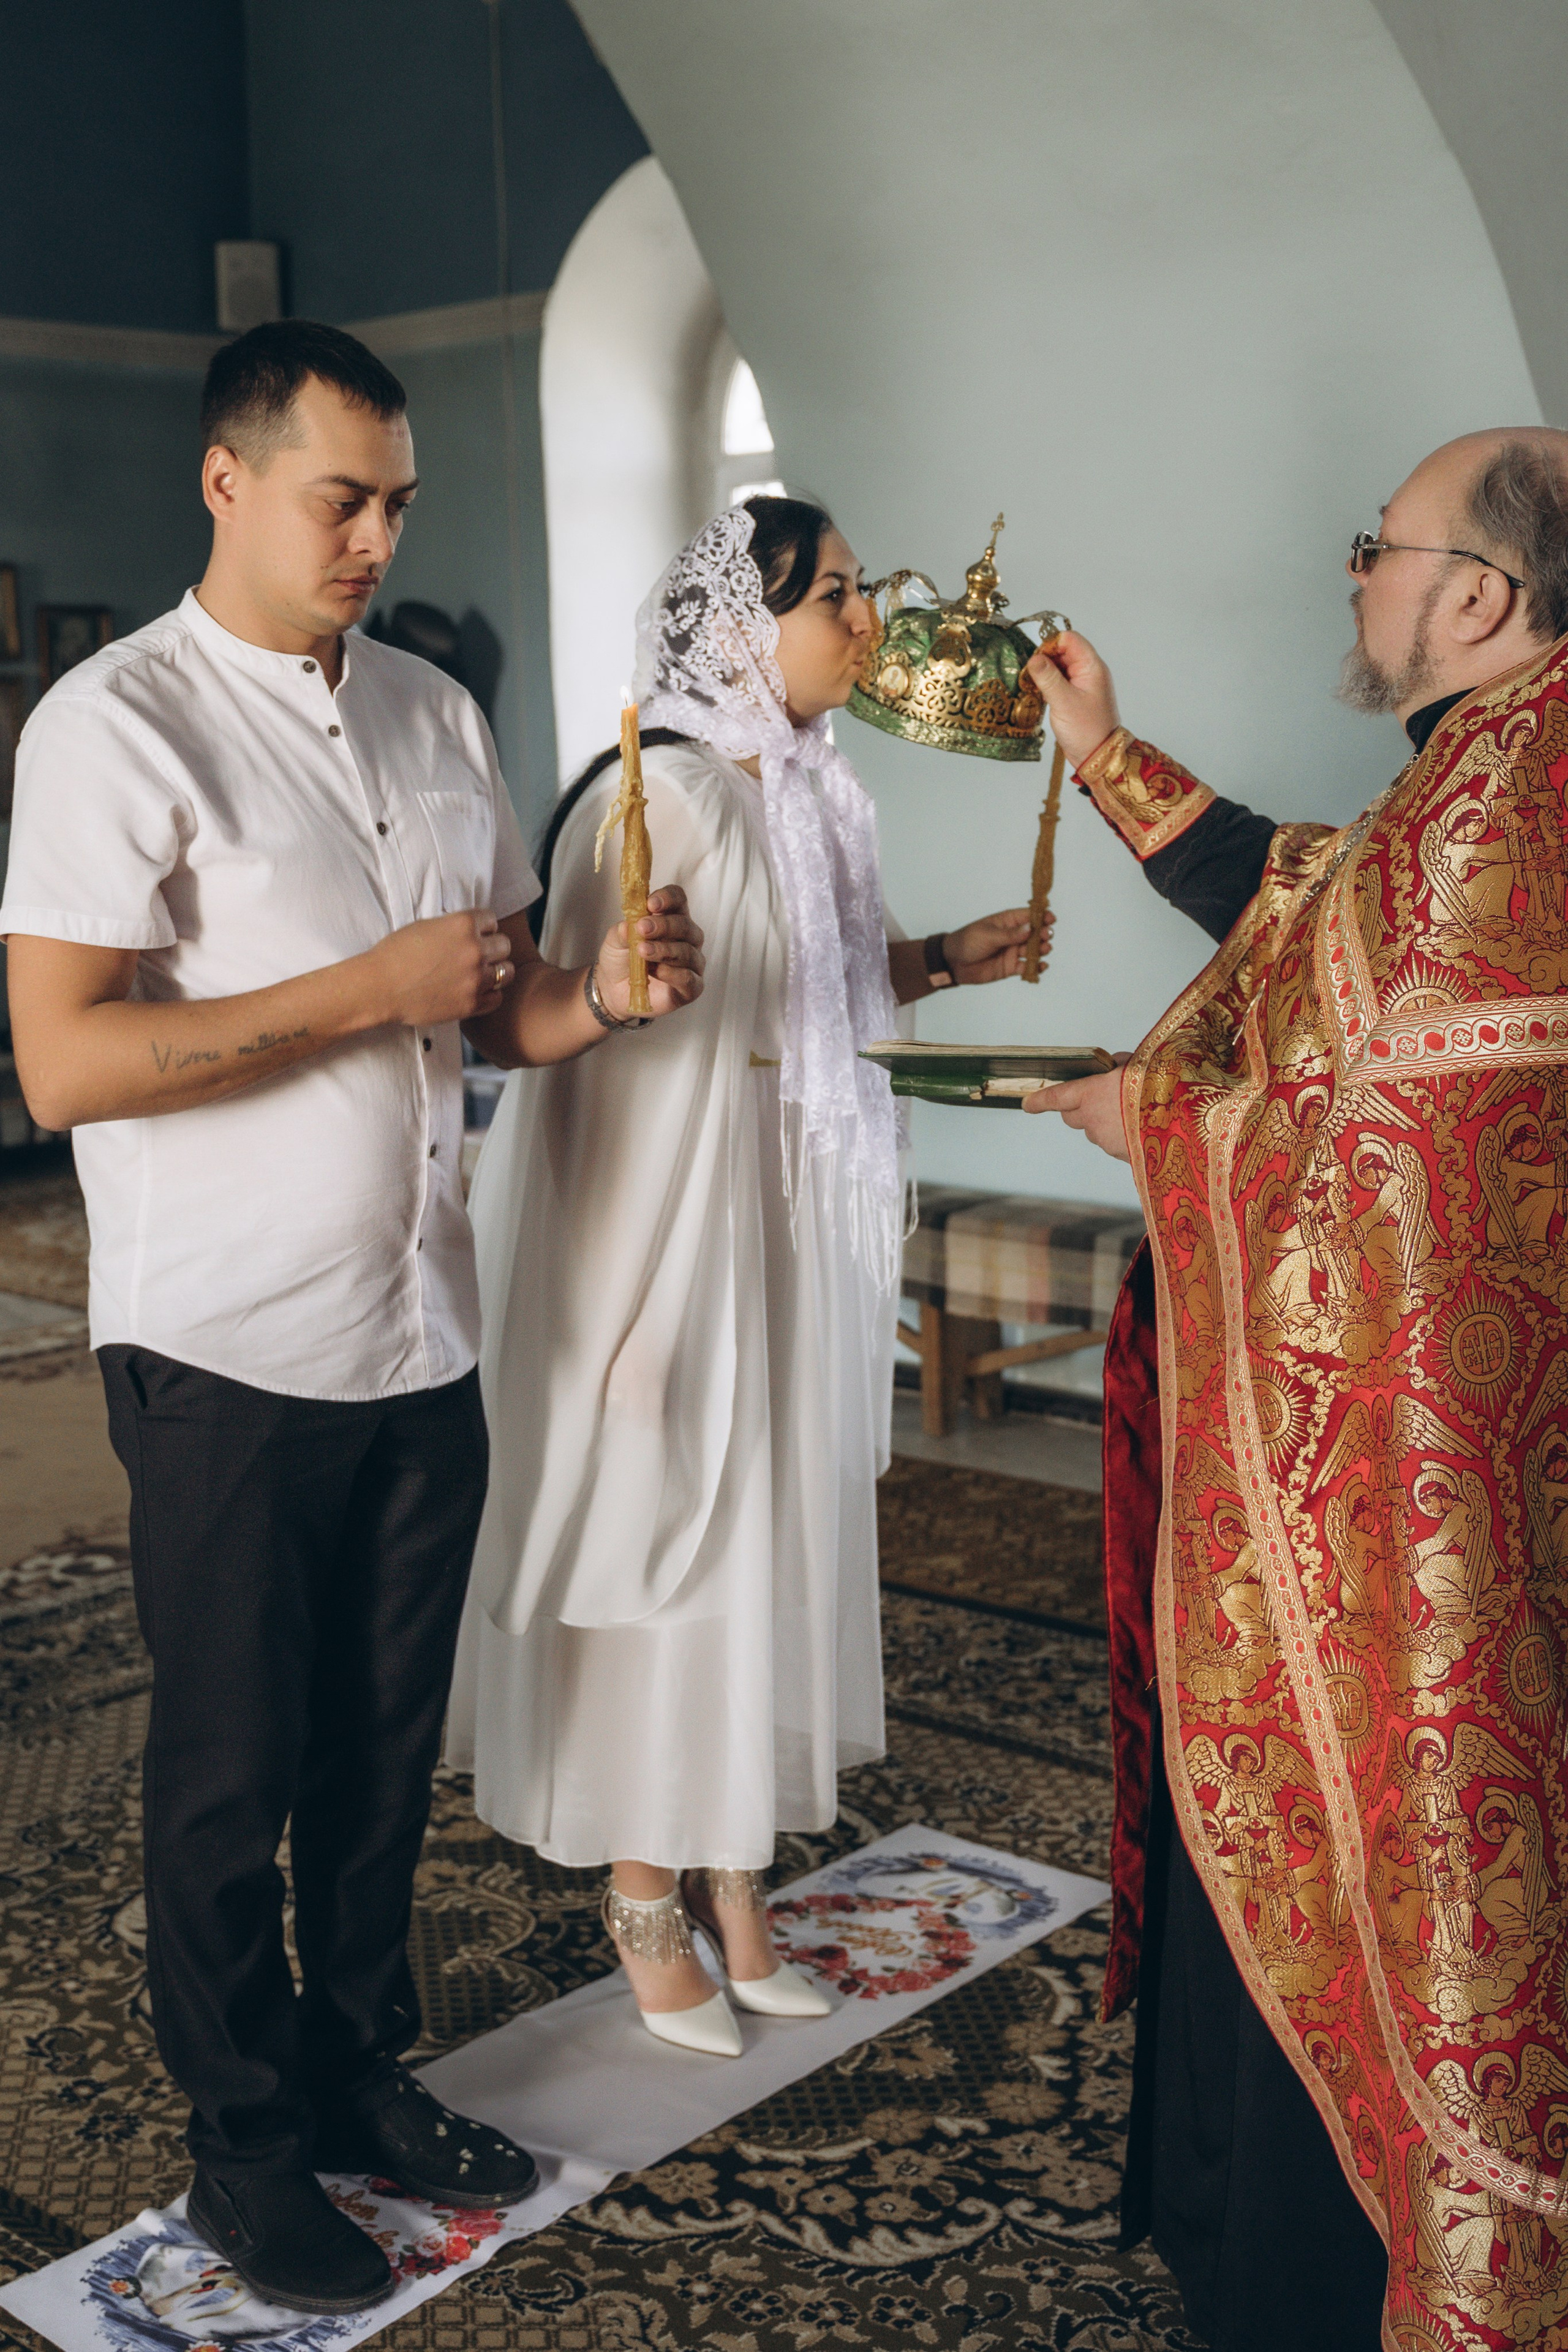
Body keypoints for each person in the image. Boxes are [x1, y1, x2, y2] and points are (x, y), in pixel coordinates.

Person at [0, 320, 703, 2316]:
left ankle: (355, 2071)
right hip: (225, 1347)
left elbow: (496, 1012)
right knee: (232, 1778)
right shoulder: (114, 727)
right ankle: (243, 2150)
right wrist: (366, 990)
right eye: (342, 499)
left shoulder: (431, 711)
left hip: (422, 1328)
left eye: (398, 502)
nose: (380, 538)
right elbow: (63, 1064)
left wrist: (603, 997)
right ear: (225, 481)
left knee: (384, 1759)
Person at [1021, 428, 1568, 2352]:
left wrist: (1155, 1122)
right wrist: (1105, 750)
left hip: (1424, 1512)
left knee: (1423, 1837)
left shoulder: (1515, 792)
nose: (1358, 575)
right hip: (1482, 1463)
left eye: (1379, 546)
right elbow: (1307, 909)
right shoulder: (1488, 770)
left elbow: (1395, 1141)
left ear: (1478, 596)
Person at [446, 499, 1039, 2052]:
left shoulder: (810, 789)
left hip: (777, 1228)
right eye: (836, 595)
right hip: (670, 1234)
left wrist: (946, 960)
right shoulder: (665, 796)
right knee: (673, 1548)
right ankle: (643, 1890)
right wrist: (624, 1306)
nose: (868, 623)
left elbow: (816, 989)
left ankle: (732, 1873)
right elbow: (598, 1070)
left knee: (761, 1537)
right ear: (737, 625)